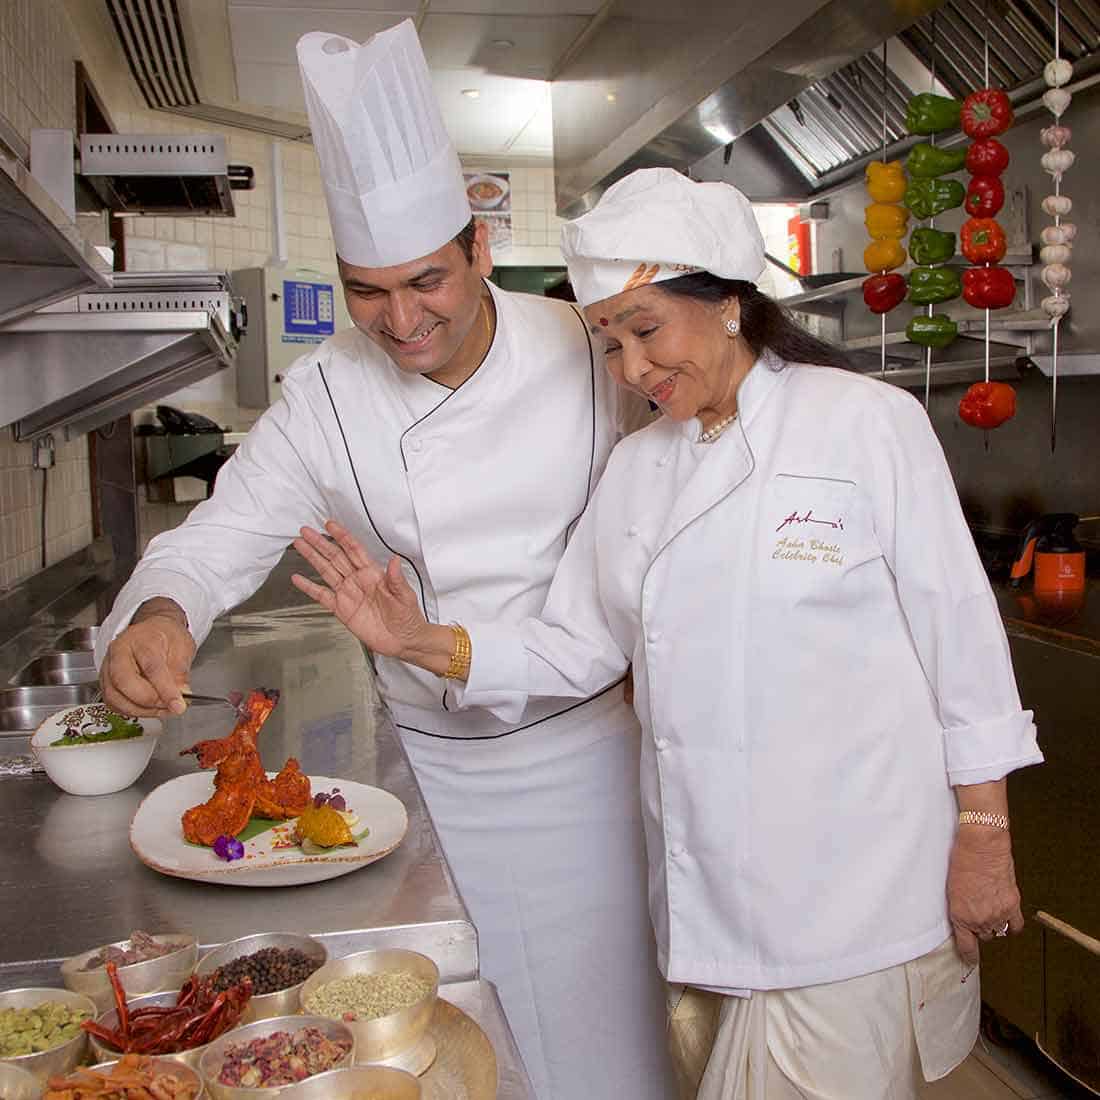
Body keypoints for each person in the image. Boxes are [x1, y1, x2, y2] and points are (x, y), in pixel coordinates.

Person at [289, 168, 1045, 1099]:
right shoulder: (640, 468)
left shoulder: (863, 424)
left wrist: (984, 834)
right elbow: (575, 646)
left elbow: (964, 645)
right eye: (609, 342)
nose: (632, 370)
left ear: (728, 304)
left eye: (646, 330)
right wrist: (416, 639)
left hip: (852, 892)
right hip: (702, 899)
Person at [94, 24, 674, 1100]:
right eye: (366, 290)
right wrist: (163, 610)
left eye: (426, 280)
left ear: (479, 249)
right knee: (442, 1037)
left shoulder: (589, 353)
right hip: (429, 772)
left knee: (601, 1041)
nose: (400, 319)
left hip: (583, 761)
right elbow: (227, 529)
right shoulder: (325, 390)